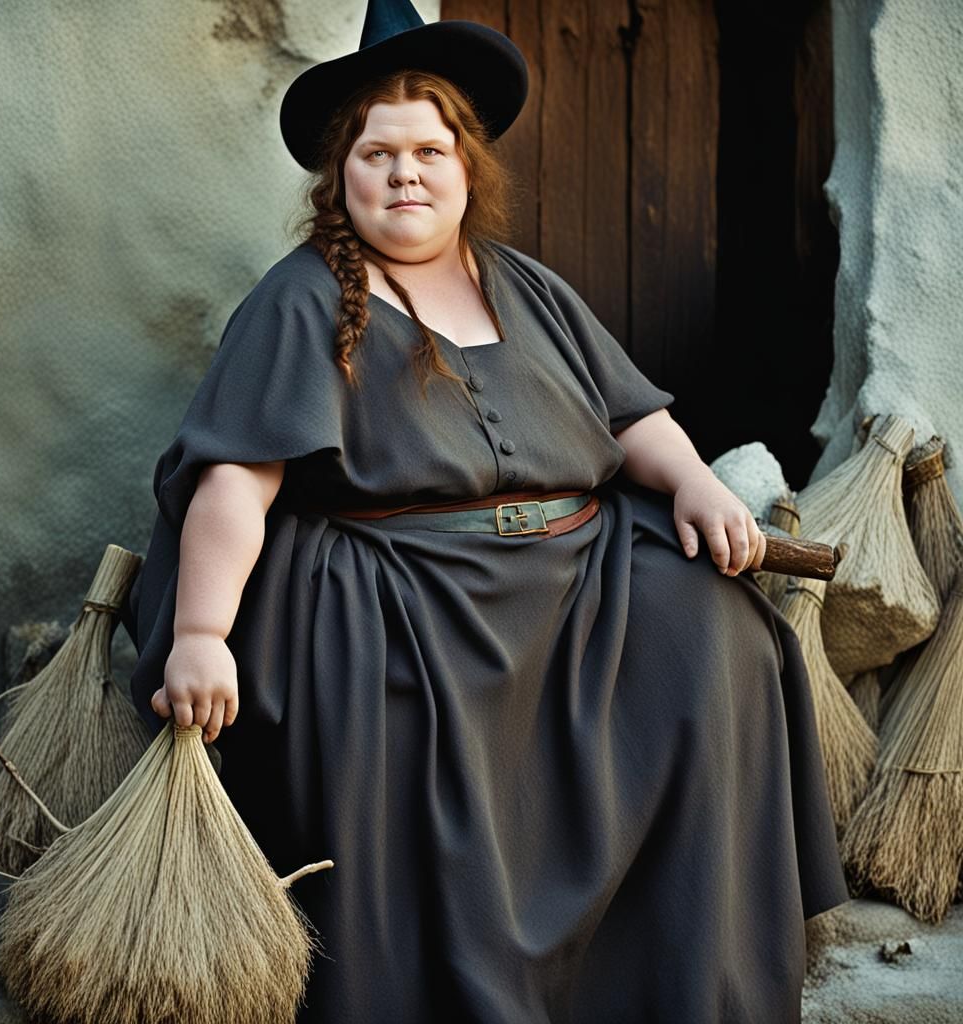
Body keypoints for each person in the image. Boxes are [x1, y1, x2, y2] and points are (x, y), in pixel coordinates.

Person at [122, 1, 851, 1020]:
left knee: (719, 638)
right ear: (341, 177)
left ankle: (682, 970)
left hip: (572, 578)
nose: (405, 173)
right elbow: (236, 482)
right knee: (374, 700)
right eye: (378, 154)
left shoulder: (526, 287)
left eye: (430, 150)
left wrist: (693, 483)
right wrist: (200, 632)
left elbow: (631, 417)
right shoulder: (302, 301)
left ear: (468, 169)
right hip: (394, 595)